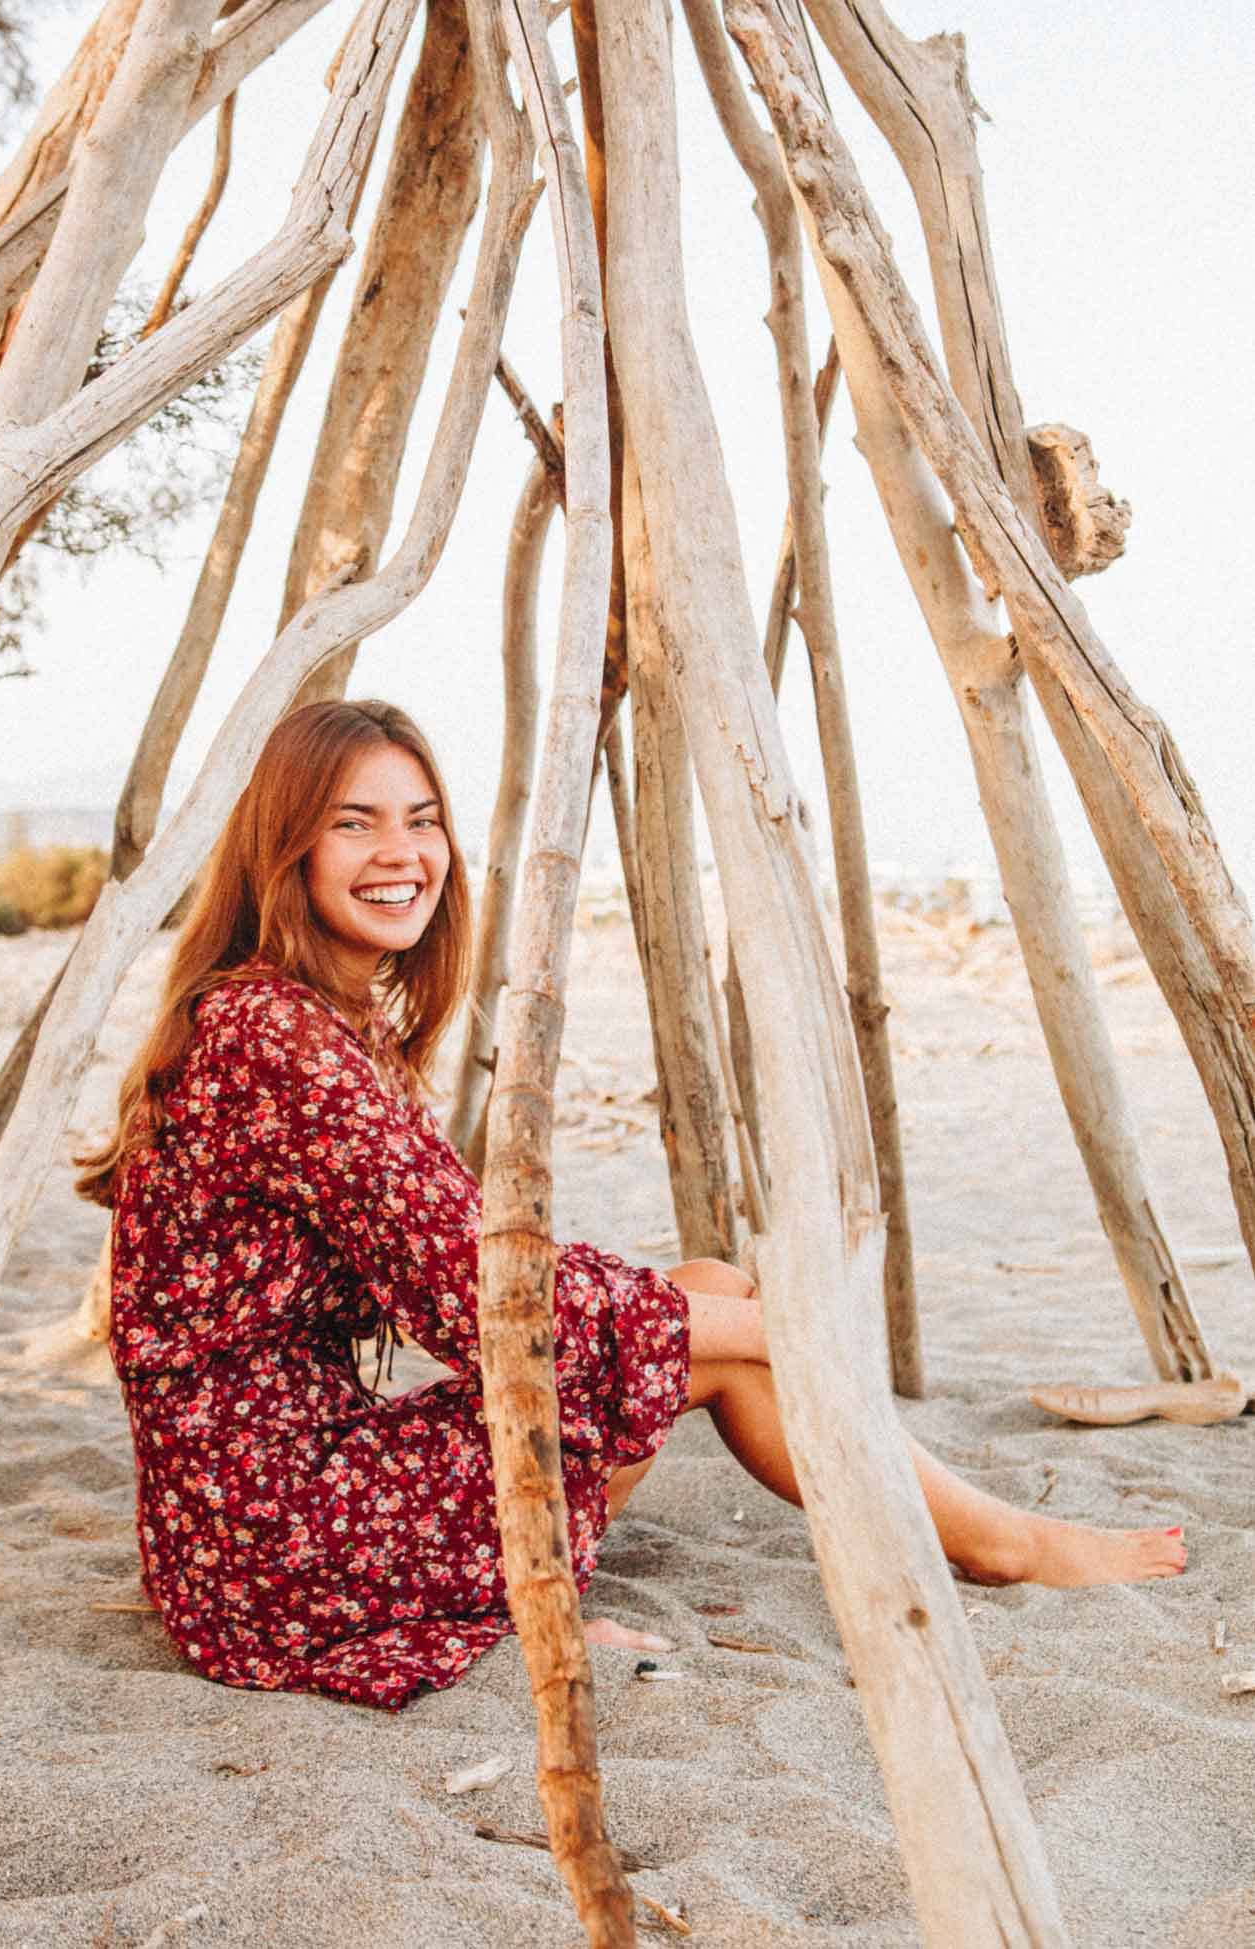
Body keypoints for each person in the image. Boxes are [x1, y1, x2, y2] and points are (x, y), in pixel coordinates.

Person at [78, 699, 1186, 1711]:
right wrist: (763, 1330)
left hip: (243, 1519)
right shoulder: (272, 1034)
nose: (402, 853)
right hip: (274, 1538)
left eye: (421, 819)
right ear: (286, 849)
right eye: (353, 823)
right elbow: (483, 1305)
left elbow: (479, 1276)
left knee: (705, 1293)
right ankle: (999, 1543)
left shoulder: (301, 1016)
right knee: (731, 1334)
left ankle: (960, 1528)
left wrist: (712, 1314)